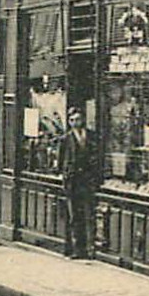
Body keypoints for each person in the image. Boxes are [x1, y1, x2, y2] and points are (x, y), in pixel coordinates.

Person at [59, 108, 97, 259]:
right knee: (74, 216)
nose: (76, 123)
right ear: (69, 122)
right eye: (72, 120)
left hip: (87, 181)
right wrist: (65, 176)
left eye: (78, 119)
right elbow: (61, 161)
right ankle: (77, 249)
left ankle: (90, 248)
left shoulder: (91, 136)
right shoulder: (66, 139)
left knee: (89, 214)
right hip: (73, 182)